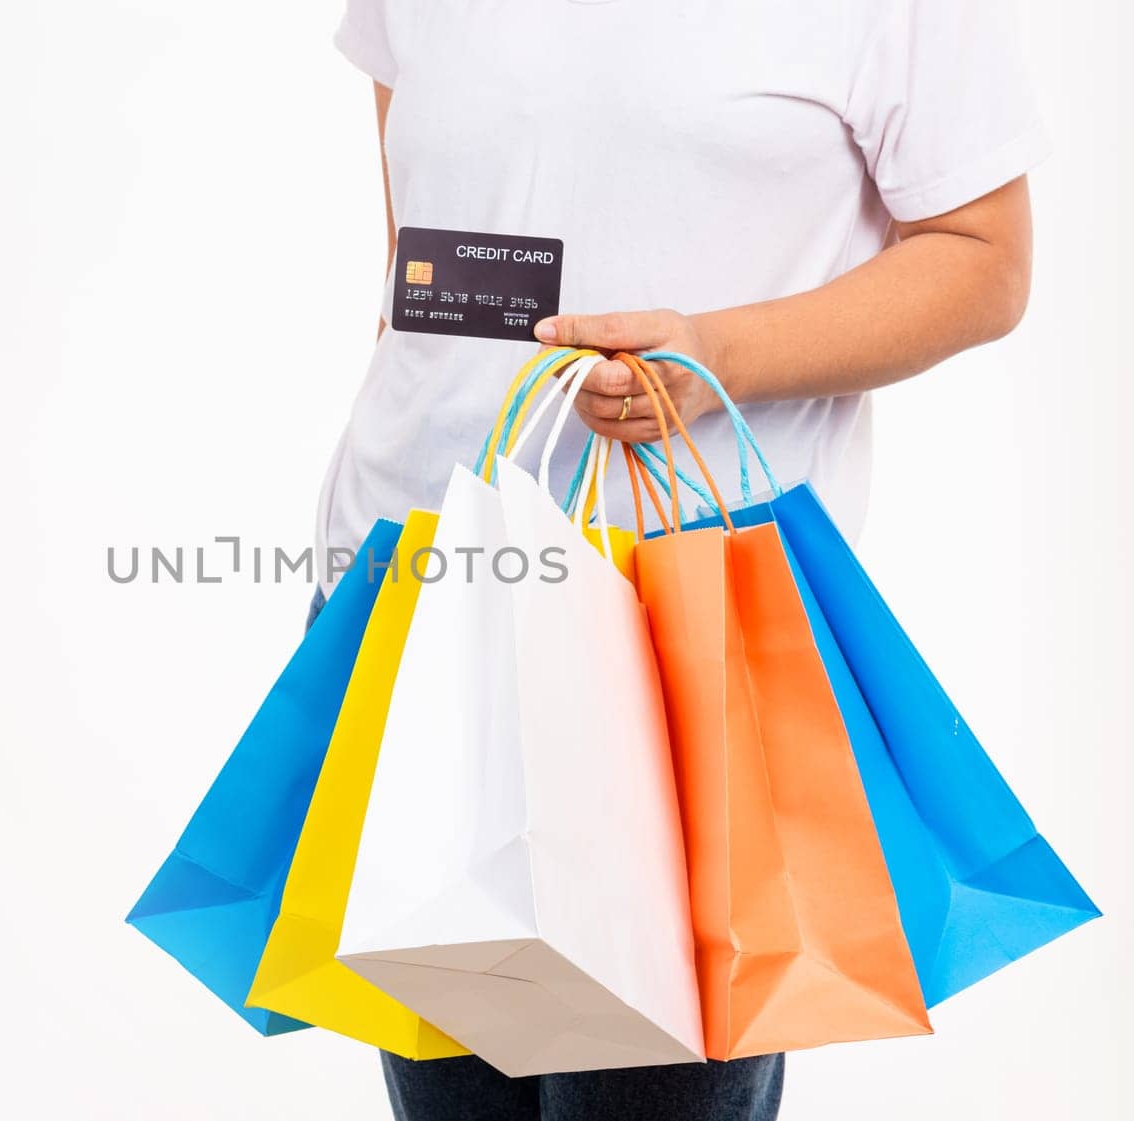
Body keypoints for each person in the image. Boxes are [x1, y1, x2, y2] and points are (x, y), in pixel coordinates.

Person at [308, 1, 1044, 1119]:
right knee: (452, 1094)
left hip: (679, 637)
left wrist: (717, 356)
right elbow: (423, 238)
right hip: (417, 590)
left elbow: (984, 261)